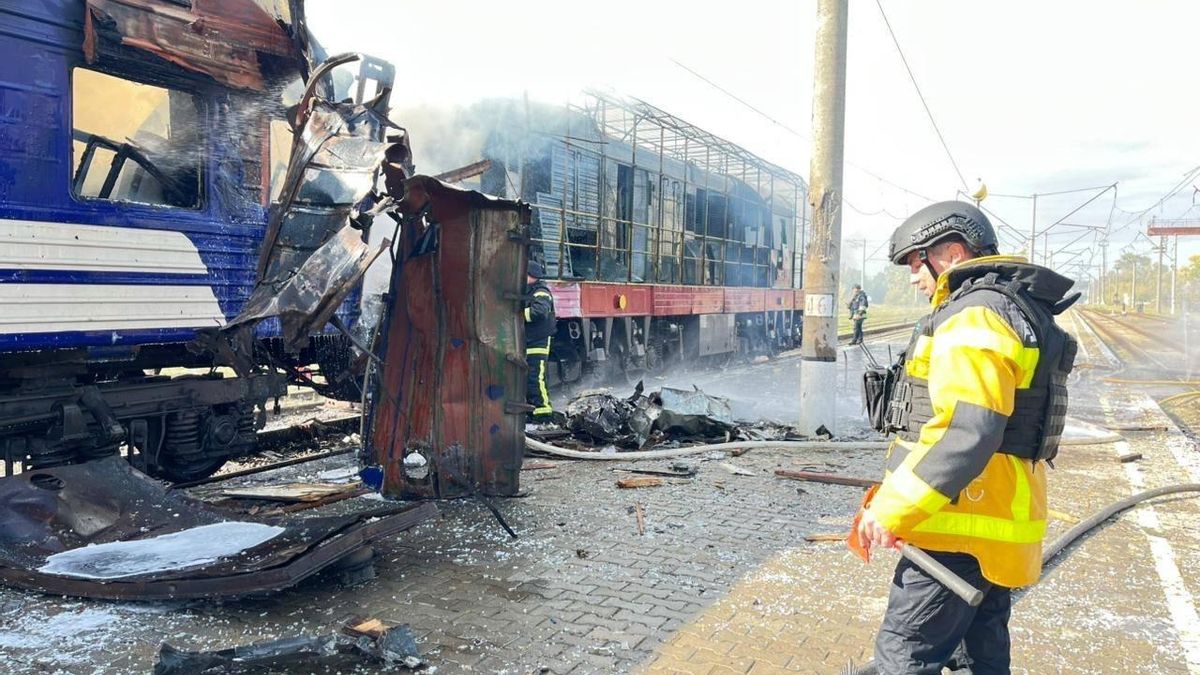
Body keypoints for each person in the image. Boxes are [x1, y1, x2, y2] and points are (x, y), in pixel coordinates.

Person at [853, 201, 1077, 674]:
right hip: (988, 524)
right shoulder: (1010, 306)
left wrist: (892, 509)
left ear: (951, 254)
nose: (913, 278)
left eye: (917, 263)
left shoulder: (973, 316)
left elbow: (967, 432)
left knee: (905, 657)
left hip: (959, 528)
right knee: (983, 657)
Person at [523, 260, 556, 422]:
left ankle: (543, 414)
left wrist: (516, 316)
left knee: (536, 378)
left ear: (531, 276)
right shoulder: (530, 291)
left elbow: (539, 312)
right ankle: (532, 411)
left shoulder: (541, 292)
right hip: (529, 341)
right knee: (529, 378)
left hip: (538, 342)